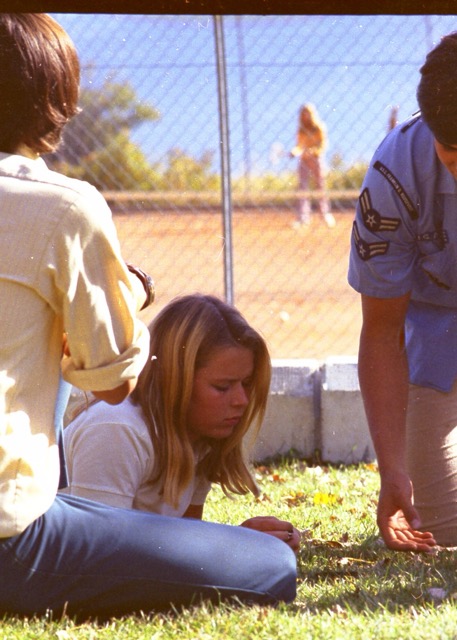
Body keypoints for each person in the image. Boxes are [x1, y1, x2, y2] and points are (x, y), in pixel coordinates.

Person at [0, 14, 296, 620]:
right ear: (53, 96)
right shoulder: (63, 205)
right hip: (13, 538)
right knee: (270, 563)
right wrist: (129, 293)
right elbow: (112, 384)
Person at [62, 294, 301, 554]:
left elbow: (187, 540)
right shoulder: (117, 428)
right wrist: (233, 544)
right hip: (67, 575)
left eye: (246, 384)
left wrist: (245, 539)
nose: (241, 401)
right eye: (222, 387)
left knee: (275, 564)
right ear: (175, 379)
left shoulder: (199, 433)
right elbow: (96, 551)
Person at [347, 31, 457, 552]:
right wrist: (393, 469)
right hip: (438, 329)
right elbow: (383, 329)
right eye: (454, 153)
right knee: (439, 528)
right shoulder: (395, 174)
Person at [290, 103, 335, 228]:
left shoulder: (318, 127)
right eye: (303, 114)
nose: (305, 116)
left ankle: (325, 214)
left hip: (316, 159)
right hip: (304, 160)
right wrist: (294, 152)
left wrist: (313, 151)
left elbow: (322, 145)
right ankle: (303, 218)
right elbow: (299, 146)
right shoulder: (301, 129)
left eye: (307, 113)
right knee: (302, 187)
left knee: (320, 185)